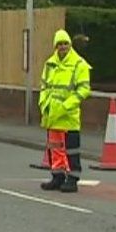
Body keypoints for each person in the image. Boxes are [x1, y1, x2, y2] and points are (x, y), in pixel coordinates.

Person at [38, 29, 92, 193]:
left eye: (65, 44)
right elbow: (44, 86)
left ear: (70, 45)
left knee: (71, 149)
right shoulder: (50, 64)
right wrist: (44, 104)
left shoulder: (79, 64)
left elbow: (83, 90)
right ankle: (57, 176)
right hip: (52, 115)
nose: (62, 47)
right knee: (55, 148)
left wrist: (67, 106)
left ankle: (72, 178)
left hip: (68, 116)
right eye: (59, 44)